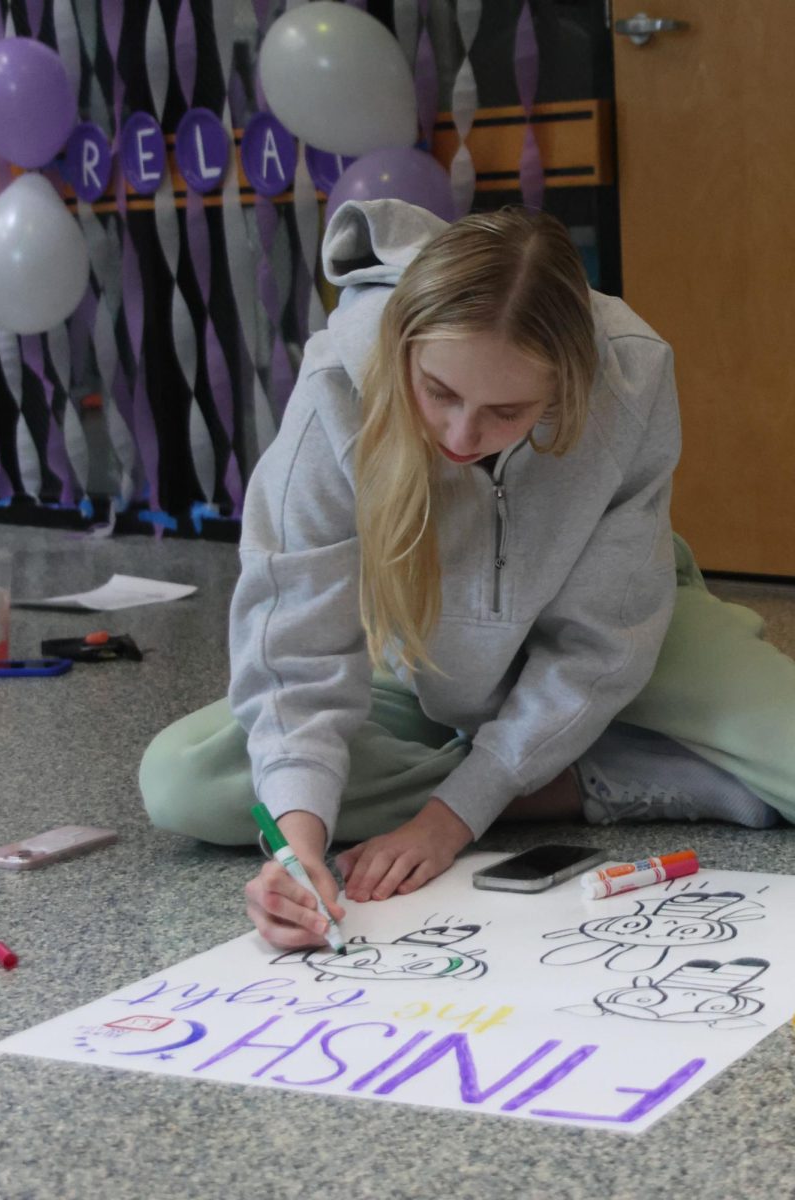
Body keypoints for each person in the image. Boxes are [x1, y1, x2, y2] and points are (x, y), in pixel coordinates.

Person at [140, 199, 794, 952]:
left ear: (568, 388)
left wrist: (448, 821)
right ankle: (575, 782)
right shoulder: (337, 388)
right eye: (440, 393)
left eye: (508, 411)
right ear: (405, 350)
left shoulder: (632, 374)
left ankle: (521, 778)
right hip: (417, 655)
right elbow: (296, 652)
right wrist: (298, 852)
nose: (461, 435)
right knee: (186, 781)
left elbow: (603, 646)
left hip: (635, 640)